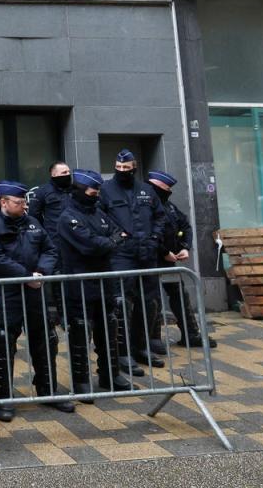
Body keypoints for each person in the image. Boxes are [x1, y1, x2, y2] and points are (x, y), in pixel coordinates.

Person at [0, 181, 73, 423]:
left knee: (45, 340)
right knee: (4, 344)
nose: (24, 206)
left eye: (24, 202)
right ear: (4, 202)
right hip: (7, 291)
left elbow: (50, 250)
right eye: (19, 203)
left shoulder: (32, 222)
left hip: (35, 290)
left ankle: (47, 389)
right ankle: (4, 398)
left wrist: (40, 272)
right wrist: (25, 276)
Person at [56, 170, 133, 402]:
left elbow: (120, 233)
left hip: (103, 279)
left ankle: (110, 375)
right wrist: (108, 242)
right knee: (81, 331)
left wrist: (108, 242)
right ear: (80, 190)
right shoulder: (68, 217)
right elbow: (90, 245)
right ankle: (81, 381)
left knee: (108, 327)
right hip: (79, 281)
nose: (96, 194)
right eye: (92, 191)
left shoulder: (97, 212)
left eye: (98, 190)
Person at [99, 150, 167, 375]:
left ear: (134, 168)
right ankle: (122, 352)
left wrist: (155, 238)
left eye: (127, 169)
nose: (122, 172)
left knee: (148, 303)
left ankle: (142, 346)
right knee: (121, 305)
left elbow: (160, 215)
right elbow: (101, 217)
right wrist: (117, 236)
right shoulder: (106, 190)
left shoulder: (146, 190)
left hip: (146, 252)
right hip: (121, 255)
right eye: (119, 169)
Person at [147, 171, 217, 349]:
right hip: (150, 260)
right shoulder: (144, 207)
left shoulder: (169, 207)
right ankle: (152, 339)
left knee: (179, 295)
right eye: (166, 188)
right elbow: (147, 234)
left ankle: (191, 335)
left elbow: (185, 225)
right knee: (151, 299)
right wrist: (164, 252)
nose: (169, 191)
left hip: (169, 260)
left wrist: (185, 247)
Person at [30, 162, 72, 247]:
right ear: (54, 174)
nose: (68, 174)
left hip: (74, 237)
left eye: (69, 172)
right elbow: (33, 215)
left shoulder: (75, 190)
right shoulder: (42, 191)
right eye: (64, 172)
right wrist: (44, 233)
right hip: (54, 238)